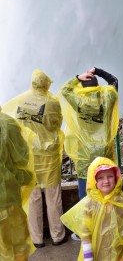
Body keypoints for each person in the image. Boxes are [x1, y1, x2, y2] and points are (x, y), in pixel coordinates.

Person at [2, 69, 67, 248]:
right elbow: (57, 123)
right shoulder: (52, 101)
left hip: (29, 156)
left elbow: (10, 117)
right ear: (46, 83)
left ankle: (37, 239)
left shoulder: (20, 100)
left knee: (33, 197)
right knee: (53, 196)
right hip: (49, 157)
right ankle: (57, 235)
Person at [58, 67, 119, 240]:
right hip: (104, 156)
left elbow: (64, 90)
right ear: (98, 85)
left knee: (85, 197)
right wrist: (97, 71)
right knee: (107, 193)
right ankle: (109, 229)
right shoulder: (107, 97)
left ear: (82, 87)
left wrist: (78, 77)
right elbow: (114, 82)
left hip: (85, 158)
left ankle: (85, 232)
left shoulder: (78, 101)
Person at [61, 156, 123, 260]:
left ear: (116, 177)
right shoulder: (90, 203)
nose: (106, 181)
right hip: (97, 254)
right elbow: (86, 234)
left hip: (119, 254)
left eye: (110, 176)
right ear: (94, 180)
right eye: (101, 177)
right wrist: (88, 257)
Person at [0, 107, 36, 261]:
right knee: (18, 247)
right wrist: (24, 177)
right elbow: (22, 159)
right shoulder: (8, 123)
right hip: (8, 198)